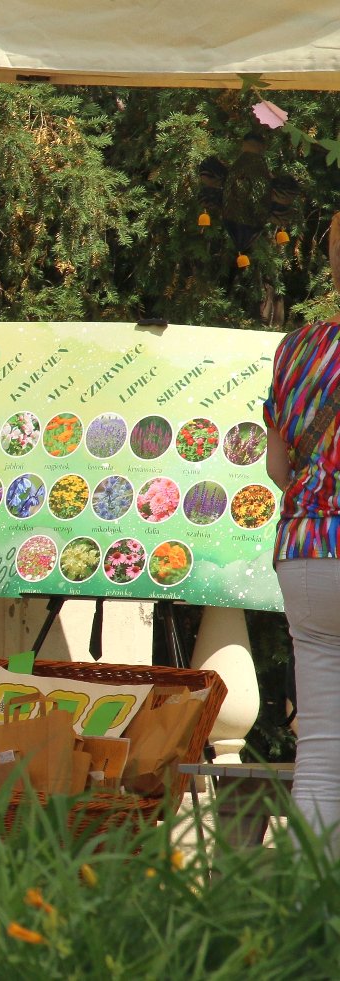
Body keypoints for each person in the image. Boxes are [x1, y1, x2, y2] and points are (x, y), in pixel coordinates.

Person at [268, 210, 340, 855]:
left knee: (322, 753)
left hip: (305, 553)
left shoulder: (296, 348)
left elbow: (277, 466)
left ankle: (307, 911)